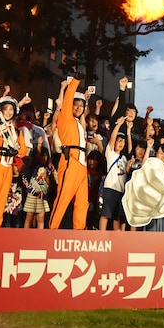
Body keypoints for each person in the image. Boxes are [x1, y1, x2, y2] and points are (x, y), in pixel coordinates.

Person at [0, 82, 31, 227]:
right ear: (1, 111)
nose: (8, 112)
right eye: (6, 109)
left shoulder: (16, 131)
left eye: (11, 109)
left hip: (8, 166)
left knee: (2, 199)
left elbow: (23, 151)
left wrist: (17, 151)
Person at [49, 78, 90, 230]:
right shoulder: (66, 117)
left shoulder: (79, 124)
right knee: (62, 198)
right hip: (70, 160)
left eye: (82, 105)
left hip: (81, 163)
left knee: (82, 202)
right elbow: (67, 99)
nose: (79, 107)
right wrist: (75, 81)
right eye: (76, 104)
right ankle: (52, 230)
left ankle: (79, 231)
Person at [99, 117, 129, 231]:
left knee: (117, 217)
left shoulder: (124, 158)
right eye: (118, 140)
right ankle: (101, 236)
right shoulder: (110, 153)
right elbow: (111, 140)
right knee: (106, 214)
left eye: (123, 141)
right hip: (110, 188)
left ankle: (117, 240)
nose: (121, 143)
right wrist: (118, 125)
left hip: (120, 190)